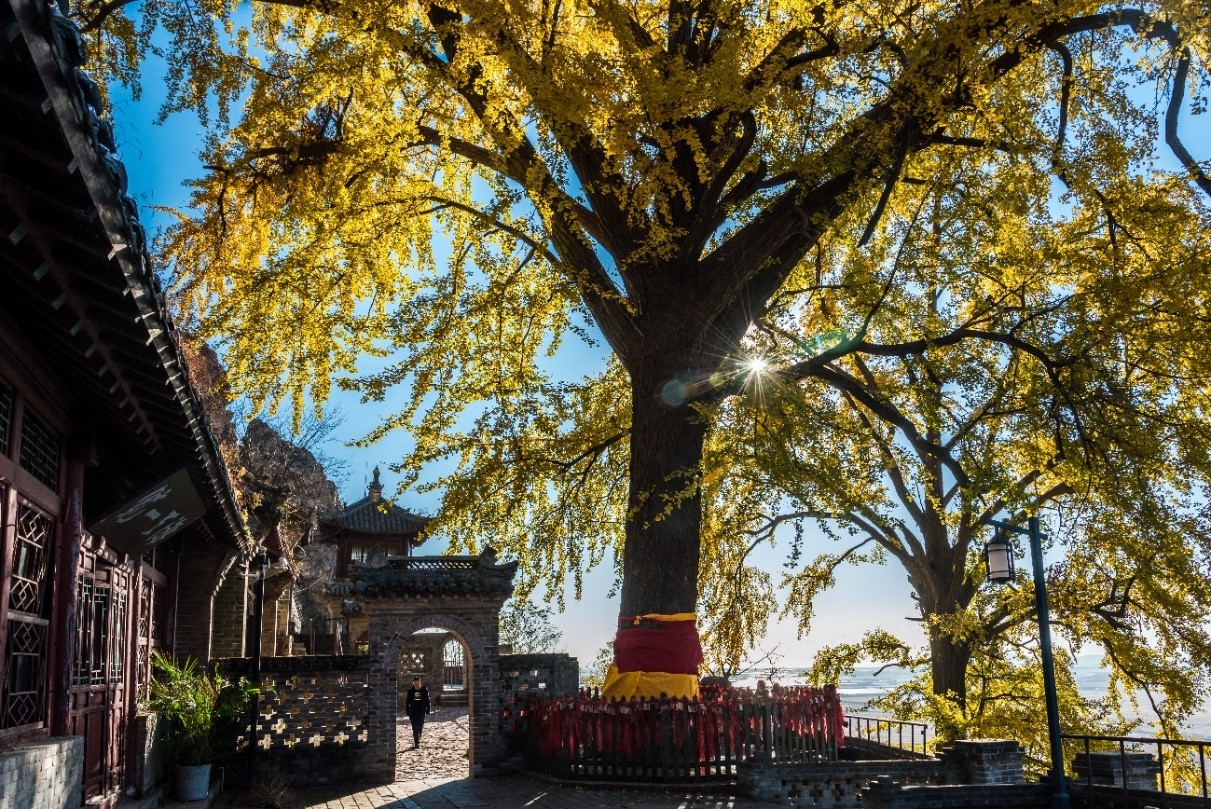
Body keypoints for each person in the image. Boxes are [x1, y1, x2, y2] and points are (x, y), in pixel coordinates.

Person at [404, 675, 431, 748]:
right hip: (413, 713)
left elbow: (428, 701)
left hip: (421, 712)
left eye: (418, 683)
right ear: (413, 683)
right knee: (414, 728)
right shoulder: (410, 691)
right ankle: (416, 743)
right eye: (415, 683)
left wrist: (428, 710)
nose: (417, 684)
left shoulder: (424, 690)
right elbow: (407, 702)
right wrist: (407, 711)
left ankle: (418, 739)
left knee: (420, 728)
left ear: (420, 683)